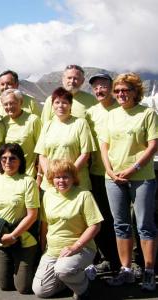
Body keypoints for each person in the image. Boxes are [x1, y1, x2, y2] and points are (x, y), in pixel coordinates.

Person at [100, 73, 158, 291]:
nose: (121, 94)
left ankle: (149, 271)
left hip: (141, 177)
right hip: (113, 178)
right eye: (117, 91)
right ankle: (126, 270)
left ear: (135, 92)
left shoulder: (147, 114)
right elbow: (104, 146)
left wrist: (133, 169)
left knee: (144, 225)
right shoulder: (111, 115)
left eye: (125, 90)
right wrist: (110, 171)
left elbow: (153, 145)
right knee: (120, 224)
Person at [32, 159, 103, 299]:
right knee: (41, 291)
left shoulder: (84, 195)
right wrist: (43, 248)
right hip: (53, 251)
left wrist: (75, 247)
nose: (61, 181)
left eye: (65, 176)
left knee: (63, 269)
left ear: (73, 177)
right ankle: (68, 279)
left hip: (80, 248)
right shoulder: (48, 195)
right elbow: (45, 224)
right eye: (58, 177)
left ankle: (83, 287)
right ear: (52, 178)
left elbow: (95, 225)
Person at [0, 143, 39, 294]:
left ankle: (34, 269)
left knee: (23, 288)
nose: (8, 162)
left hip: (23, 239)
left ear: (20, 160)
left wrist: (13, 235)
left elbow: (32, 215)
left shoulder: (28, 181)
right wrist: (0, 234)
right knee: (5, 285)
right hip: (2, 239)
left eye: (12, 158)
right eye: (4, 158)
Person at [84, 73, 120, 273]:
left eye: (103, 86)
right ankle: (109, 258)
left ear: (112, 87)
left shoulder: (122, 108)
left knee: (123, 219)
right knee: (103, 218)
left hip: (123, 174)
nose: (99, 90)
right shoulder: (91, 113)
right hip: (97, 173)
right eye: (95, 87)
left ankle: (131, 261)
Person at [34, 87, 95, 191]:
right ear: (52, 105)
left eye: (64, 102)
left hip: (76, 183)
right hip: (51, 184)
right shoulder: (48, 125)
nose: (60, 106)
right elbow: (42, 155)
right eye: (57, 102)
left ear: (70, 105)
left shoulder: (80, 123)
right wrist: (52, 176)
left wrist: (69, 177)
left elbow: (85, 154)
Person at [1, 89, 42, 178]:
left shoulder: (33, 120)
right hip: (8, 174)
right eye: (6, 104)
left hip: (29, 174)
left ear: (21, 102)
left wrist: (39, 176)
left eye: (12, 103)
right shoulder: (3, 122)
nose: (9, 106)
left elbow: (42, 151)